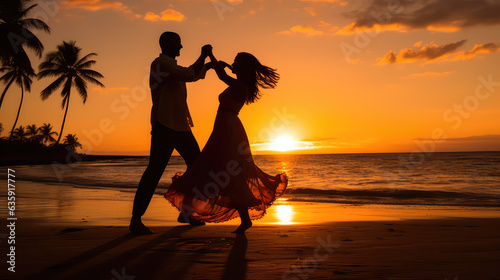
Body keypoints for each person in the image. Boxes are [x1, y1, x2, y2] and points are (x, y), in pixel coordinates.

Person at [165, 49, 288, 234]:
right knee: (212, 170)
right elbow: (223, 76)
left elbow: (222, 76)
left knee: (220, 172)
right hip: (223, 129)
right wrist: (213, 63)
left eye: (236, 61)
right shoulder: (239, 84)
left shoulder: (241, 86)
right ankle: (189, 213)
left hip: (229, 131)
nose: (233, 62)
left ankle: (195, 213)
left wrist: (211, 57)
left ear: (243, 67)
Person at [129, 32, 212, 235]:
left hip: (181, 126)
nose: (181, 47)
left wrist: (209, 65)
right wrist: (203, 56)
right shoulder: (160, 64)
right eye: (177, 43)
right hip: (165, 125)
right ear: (166, 44)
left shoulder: (172, 67)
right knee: (154, 171)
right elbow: (188, 74)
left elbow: (194, 74)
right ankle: (136, 220)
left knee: (196, 168)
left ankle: (186, 213)